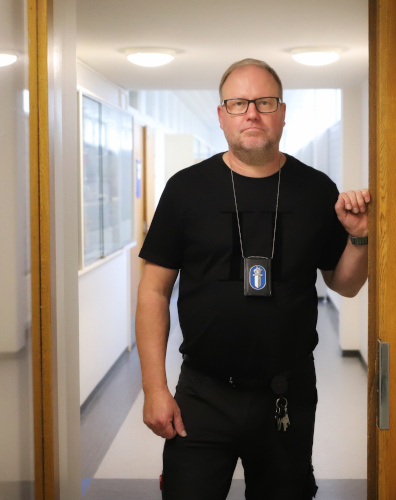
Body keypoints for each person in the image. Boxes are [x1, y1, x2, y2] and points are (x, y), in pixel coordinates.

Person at [136, 58, 370, 500]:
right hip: (202, 393)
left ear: (282, 112)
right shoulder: (185, 189)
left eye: (264, 102)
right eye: (238, 103)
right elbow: (153, 290)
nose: (252, 113)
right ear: (221, 115)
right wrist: (154, 388)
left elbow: (345, 285)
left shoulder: (316, 189)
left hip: (287, 392)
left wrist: (360, 239)